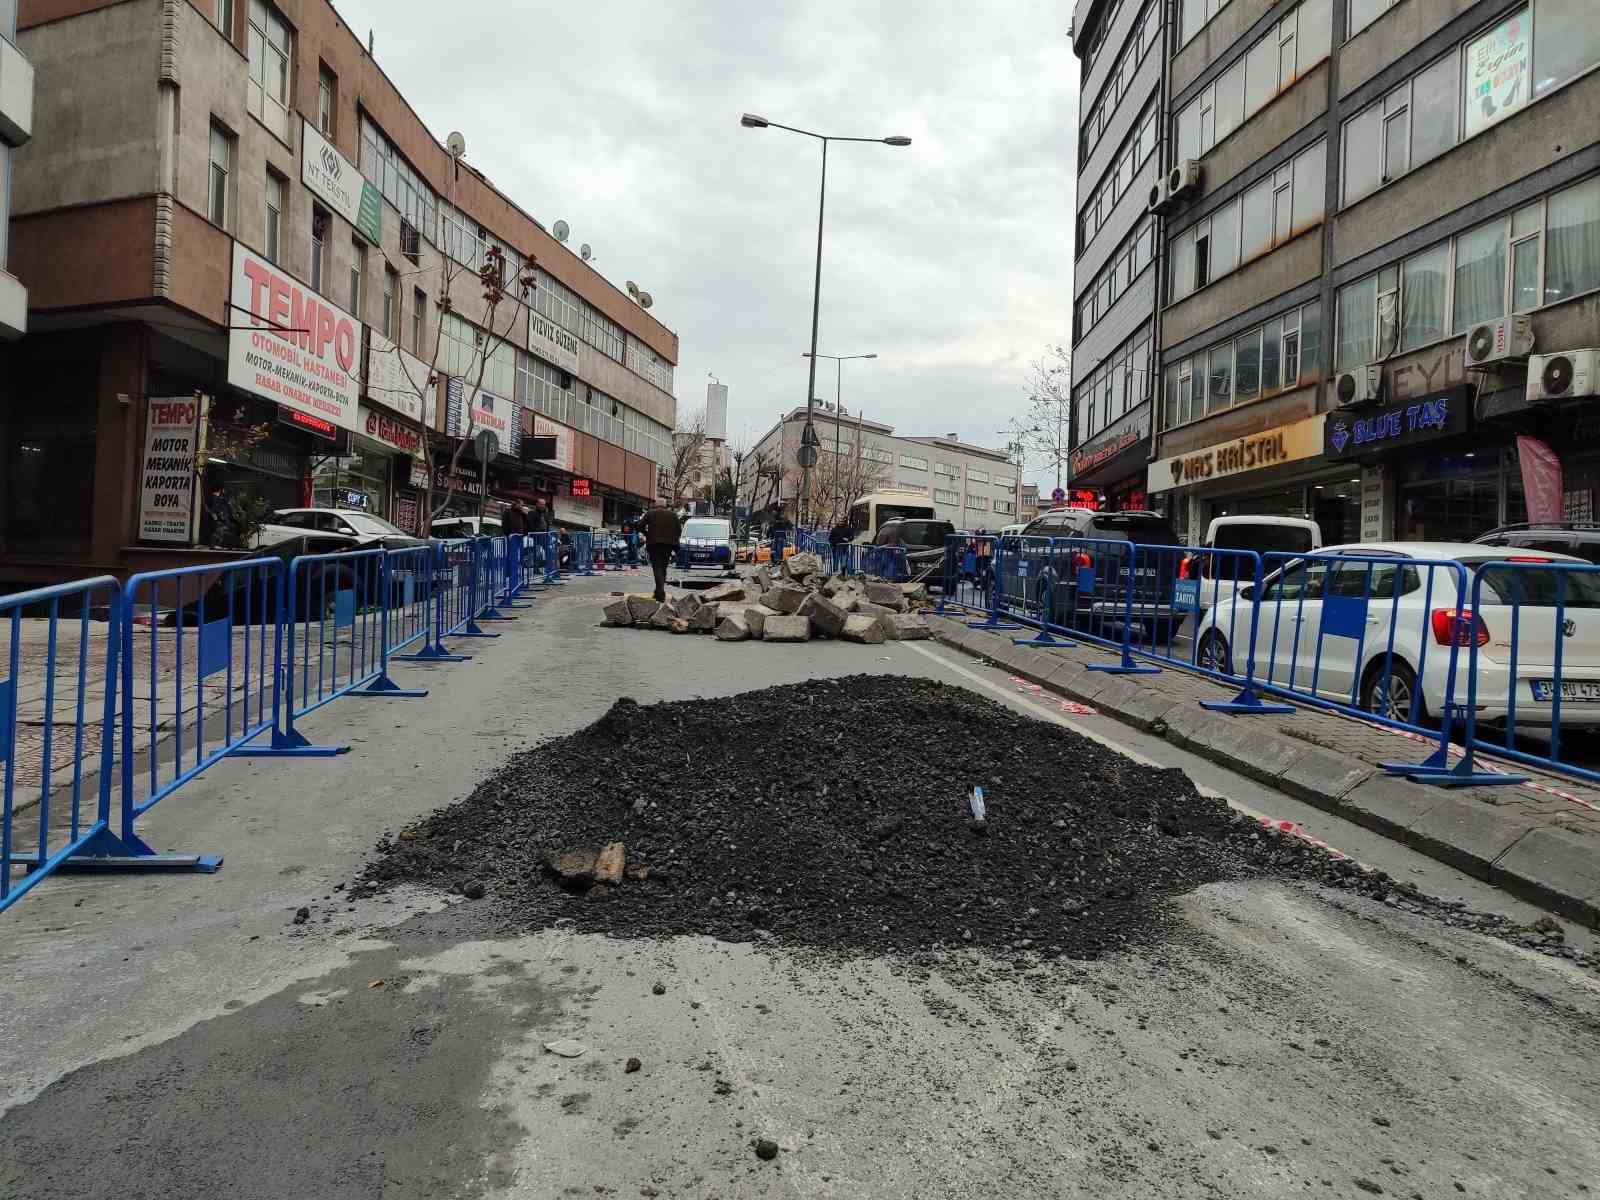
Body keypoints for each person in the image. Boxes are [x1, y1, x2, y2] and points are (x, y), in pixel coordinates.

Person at [642, 502, 683, 602]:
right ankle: (659, 591)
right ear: (666, 506)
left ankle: (660, 592)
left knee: (657, 568)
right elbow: (679, 530)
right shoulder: (673, 515)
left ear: (656, 505)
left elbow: (639, 525)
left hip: (654, 544)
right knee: (663, 567)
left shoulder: (651, 513)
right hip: (668, 545)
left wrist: (647, 534)